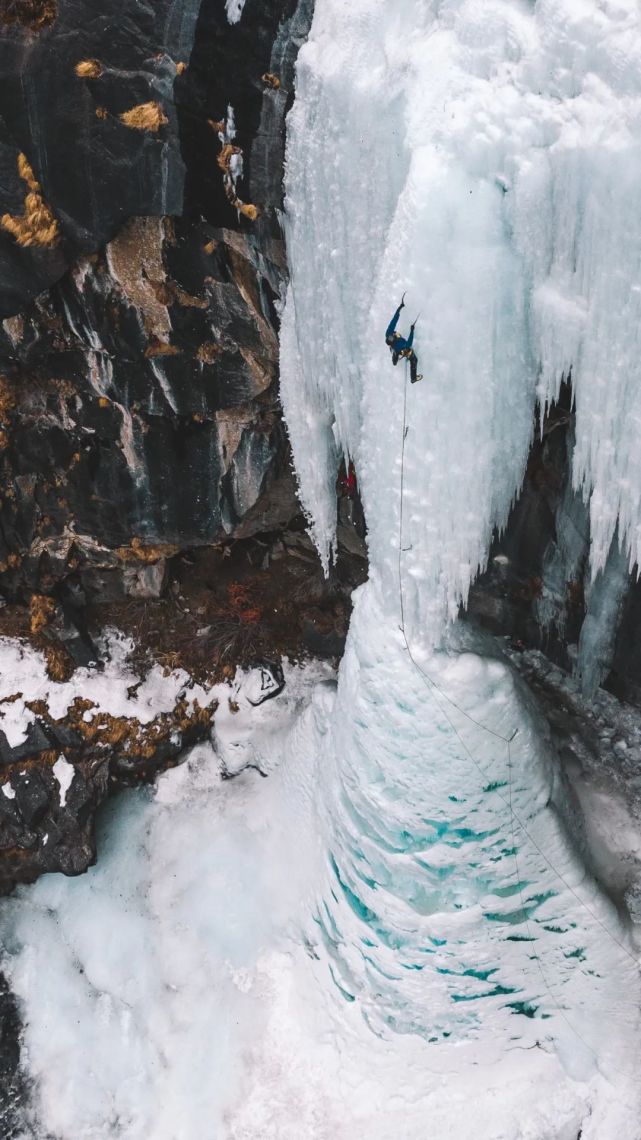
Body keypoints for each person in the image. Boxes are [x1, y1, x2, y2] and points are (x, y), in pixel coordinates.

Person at [385, 295, 422, 383]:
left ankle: (395, 356)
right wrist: (412, 331)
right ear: (392, 341)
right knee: (413, 359)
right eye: (392, 337)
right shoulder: (398, 345)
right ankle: (413, 378)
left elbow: (394, 320)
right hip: (401, 349)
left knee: (400, 350)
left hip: (397, 348)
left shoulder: (389, 332)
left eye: (391, 336)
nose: (392, 336)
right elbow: (409, 344)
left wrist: (399, 308)